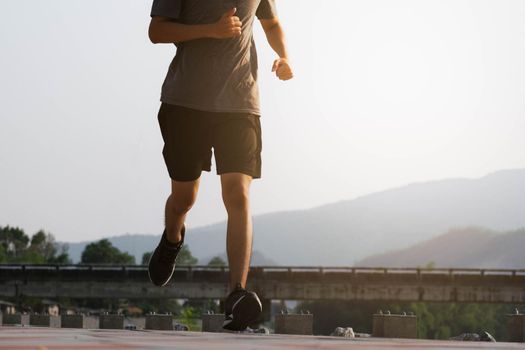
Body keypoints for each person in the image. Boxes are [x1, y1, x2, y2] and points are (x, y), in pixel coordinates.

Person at [146, 0, 293, 331]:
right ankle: (172, 238)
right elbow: (156, 31)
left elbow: (270, 23)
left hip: (240, 104)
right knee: (184, 198)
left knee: (238, 194)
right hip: (186, 102)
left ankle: (236, 295)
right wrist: (210, 31)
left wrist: (284, 56)